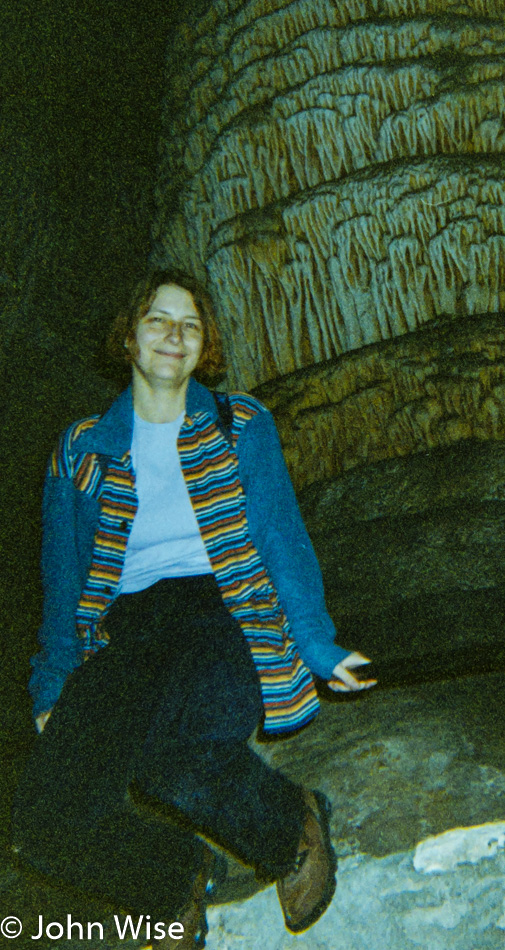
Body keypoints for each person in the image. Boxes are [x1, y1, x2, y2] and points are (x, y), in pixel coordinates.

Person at [12, 269, 376, 947]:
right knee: (44, 824)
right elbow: (62, 583)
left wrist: (319, 644)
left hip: (221, 614)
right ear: (128, 336)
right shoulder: (81, 448)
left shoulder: (240, 425)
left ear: (204, 344)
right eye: (157, 319)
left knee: (178, 757)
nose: (173, 335)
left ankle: (290, 823)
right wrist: (53, 682)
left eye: (190, 323)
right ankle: (172, 876)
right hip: (126, 634)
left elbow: (281, 537)